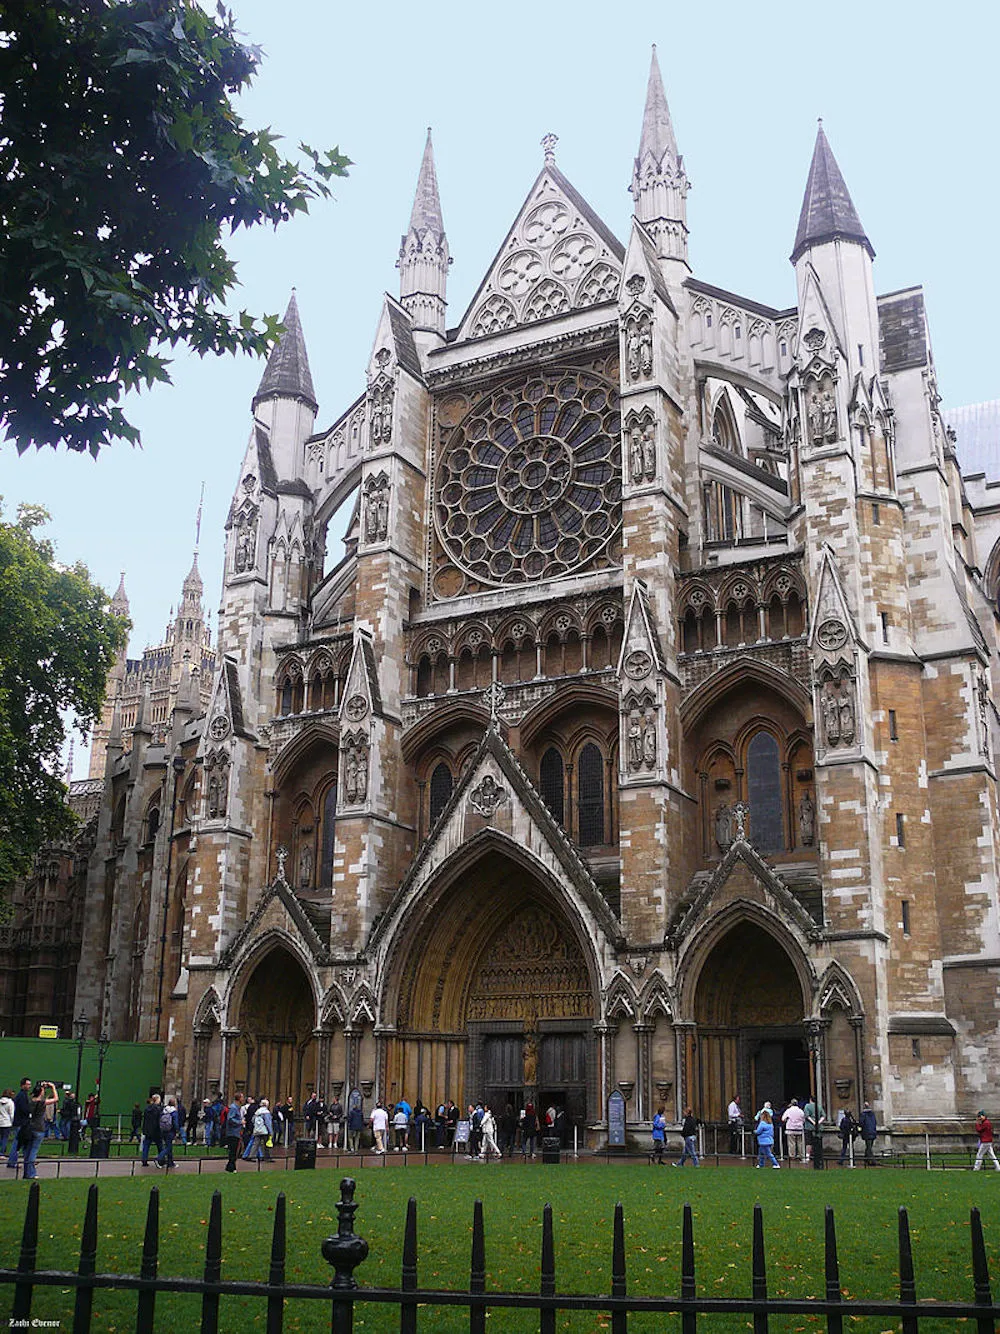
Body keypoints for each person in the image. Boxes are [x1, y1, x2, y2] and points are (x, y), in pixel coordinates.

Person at [19, 1082, 59, 1179]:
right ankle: (31, 1173)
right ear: (41, 1093)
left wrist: (41, 1088)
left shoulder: (29, 1101)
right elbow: (56, 1099)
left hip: (29, 1128)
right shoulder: (42, 1103)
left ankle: (26, 1173)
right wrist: (53, 1087)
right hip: (39, 1128)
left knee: (27, 1152)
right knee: (33, 1152)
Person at [7, 1078, 33, 1168]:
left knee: (21, 1143)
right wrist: (30, 1110)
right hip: (21, 1122)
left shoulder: (22, 1095)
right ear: (23, 1085)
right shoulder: (22, 1096)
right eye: (28, 1084)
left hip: (20, 1122)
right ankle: (12, 1161)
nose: (29, 1086)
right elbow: (24, 1109)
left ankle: (28, 1160)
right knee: (17, 1143)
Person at [223, 1093, 245, 1172]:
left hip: (236, 1132)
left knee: (235, 1150)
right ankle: (232, 1167)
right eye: (242, 1097)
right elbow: (230, 1119)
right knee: (233, 1151)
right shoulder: (233, 1108)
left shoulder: (237, 1108)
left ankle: (230, 1166)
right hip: (233, 1133)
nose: (243, 1099)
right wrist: (240, 1122)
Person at [140, 1094, 163, 1167]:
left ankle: (144, 1160)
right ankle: (161, 1159)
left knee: (146, 1146)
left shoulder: (147, 1109)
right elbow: (159, 1120)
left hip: (148, 1130)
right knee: (160, 1146)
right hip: (156, 1131)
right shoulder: (158, 1109)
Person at [803, 1097, 822, 1163]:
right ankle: (817, 1156)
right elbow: (823, 1116)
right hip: (818, 1127)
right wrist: (818, 1122)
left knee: (808, 1142)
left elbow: (807, 1116)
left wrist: (813, 1122)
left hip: (809, 1127)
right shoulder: (819, 1107)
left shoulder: (807, 1106)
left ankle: (807, 1156)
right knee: (817, 1141)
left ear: (810, 1100)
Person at [859, 1102, 878, 1166]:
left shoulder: (863, 1114)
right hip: (873, 1132)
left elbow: (861, 1123)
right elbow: (875, 1122)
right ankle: (866, 1159)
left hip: (867, 1132)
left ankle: (873, 1161)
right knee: (869, 1146)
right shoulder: (872, 1114)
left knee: (869, 1147)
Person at [0, 1088, 15, 1156]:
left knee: (1, 1138)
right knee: (5, 1138)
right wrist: (12, 1122)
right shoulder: (10, 1102)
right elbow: (11, 1114)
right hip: (6, 1123)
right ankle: (2, 1152)